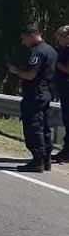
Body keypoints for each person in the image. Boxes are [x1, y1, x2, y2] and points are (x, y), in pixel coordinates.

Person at [7, 26, 57, 173]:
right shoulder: (51, 50)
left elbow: (31, 75)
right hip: (46, 92)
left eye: (24, 39)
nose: (23, 43)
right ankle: (46, 159)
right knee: (44, 126)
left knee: (33, 126)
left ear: (32, 35)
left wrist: (16, 71)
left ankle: (38, 160)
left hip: (34, 94)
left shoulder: (38, 52)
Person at [52, 26, 69, 163]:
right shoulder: (64, 50)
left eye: (60, 38)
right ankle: (66, 150)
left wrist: (57, 65)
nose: (59, 41)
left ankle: (67, 152)